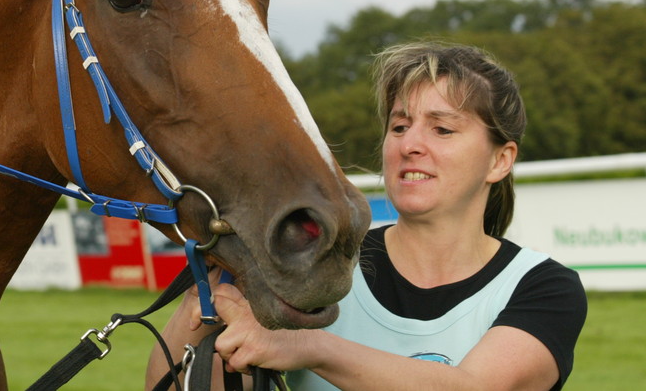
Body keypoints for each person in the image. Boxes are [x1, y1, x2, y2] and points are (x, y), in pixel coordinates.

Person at [147, 41, 587, 391]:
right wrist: (206, 298)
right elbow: (174, 386)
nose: (409, 143)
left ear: (500, 161)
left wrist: (309, 347)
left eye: (442, 128)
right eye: (399, 126)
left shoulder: (544, 288)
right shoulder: (318, 263)